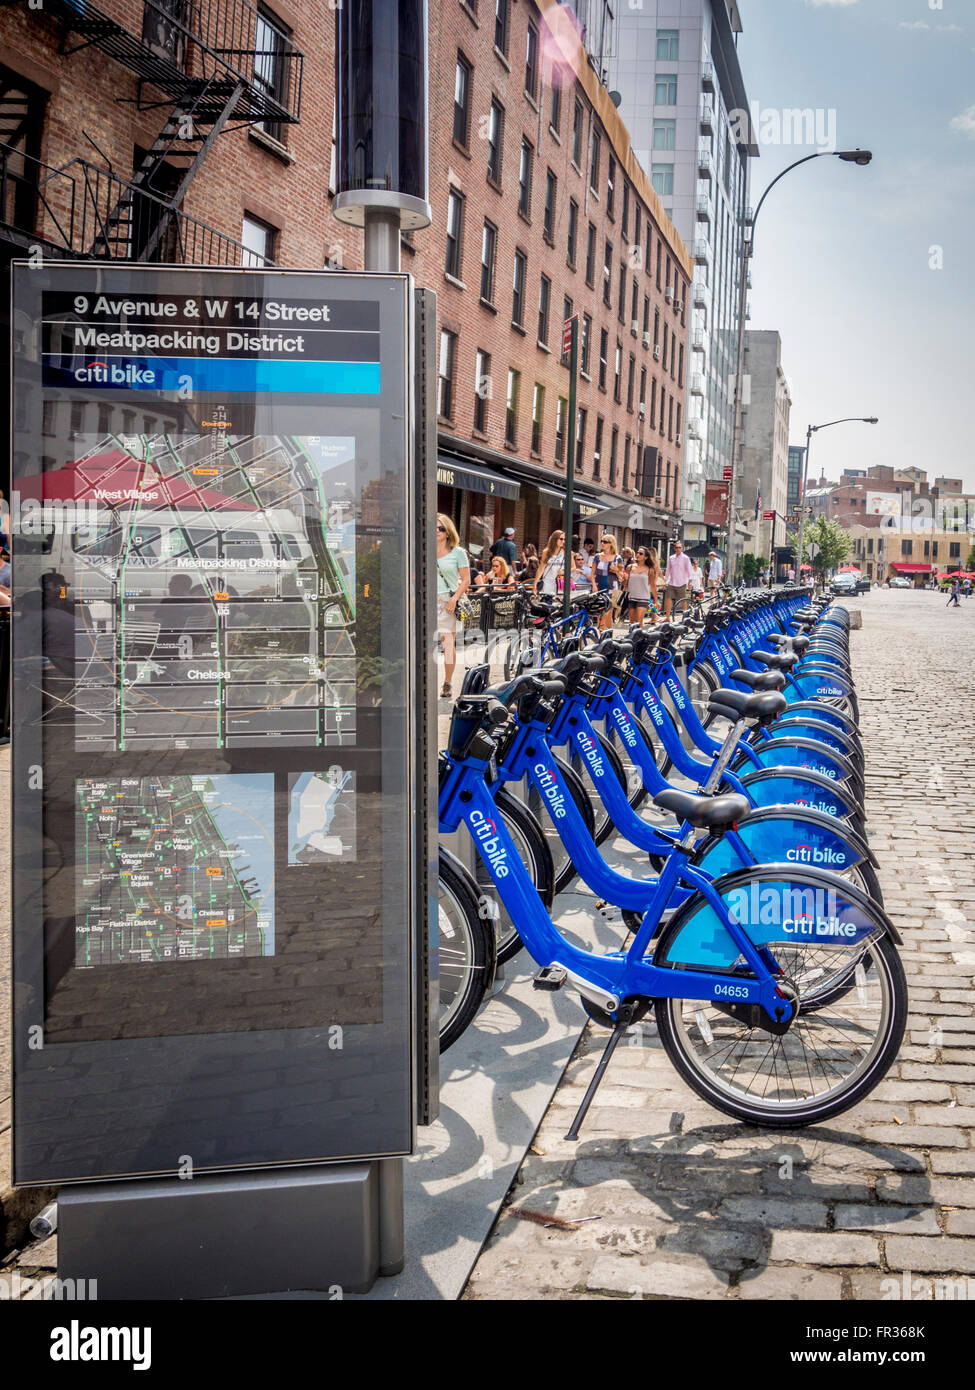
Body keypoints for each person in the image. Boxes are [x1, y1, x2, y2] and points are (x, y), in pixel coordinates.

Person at [436, 513, 471, 699]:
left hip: (448, 601)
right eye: (433, 528)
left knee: (447, 642)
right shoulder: (424, 549)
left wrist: (454, 598)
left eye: (440, 528)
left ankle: (448, 681)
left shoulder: (458, 552)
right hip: (426, 600)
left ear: (448, 532)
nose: (436, 531)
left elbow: (466, 580)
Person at [594, 534, 624, 628]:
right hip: (599, 587)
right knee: (600, 613)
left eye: (605, 542)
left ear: (611, 544)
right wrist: (594, 585)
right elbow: (592, 574)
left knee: (607, 613)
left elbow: (621, 577)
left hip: (612, 588)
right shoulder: (597, 556)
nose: (602, 543)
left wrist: (615, 570)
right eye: (601, 541)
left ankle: (606, 634)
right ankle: (603, 634)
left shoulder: (617, 558)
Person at [624, 547, 655, 627]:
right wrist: (623, 578)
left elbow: (652, 585)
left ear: (646, 557)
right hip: (632, 597)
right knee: (632, 623)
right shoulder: (629, 567)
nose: (638, 555)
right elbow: (625, 583)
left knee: (639, 622)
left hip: (643, 597)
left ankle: (640, 638)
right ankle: (633, 638)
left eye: (641, 554)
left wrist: (656, 601)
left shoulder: (650, 570)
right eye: (637, 553)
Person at [663, 539, 693, 616]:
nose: (678, 549)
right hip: (671, 582)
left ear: (682, 548)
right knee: (667, 599)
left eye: (680, 547)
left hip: (682, 582)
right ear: (674, 548)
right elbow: (668, 570)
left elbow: (689, 570)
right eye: (677, 547)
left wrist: (690, 582)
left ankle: (685, 616)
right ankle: (667, 617)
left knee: (683, 601)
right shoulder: (671, 558)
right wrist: (665, 581)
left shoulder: (685, 558)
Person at [534, 530, 566, 598]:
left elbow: (573, 568)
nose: (563, 541)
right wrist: (535, 584)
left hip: (560, 583)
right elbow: (541, 569)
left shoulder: (566, 552)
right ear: (554, 539)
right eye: (561, 539)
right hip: (547, 582)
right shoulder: (546, 552)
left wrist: (563, 572)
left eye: (564, 539)